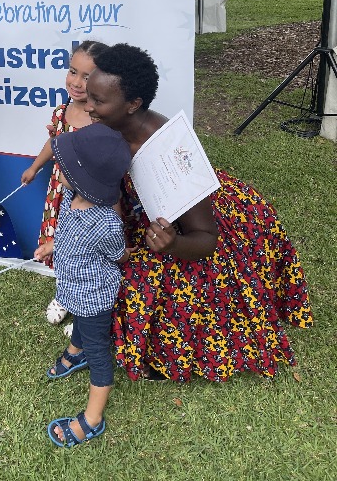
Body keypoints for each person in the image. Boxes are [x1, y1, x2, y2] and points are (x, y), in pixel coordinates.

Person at [85, 43, 313, 382]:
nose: (88, 106)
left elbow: (205, 240)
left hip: (192, 226)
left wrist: (172, 245)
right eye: (89, 95)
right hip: (148, 217)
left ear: (133, 105)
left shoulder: (168, 150)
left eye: (98, 101)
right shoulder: (110, 125)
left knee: (151, 287)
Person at [34, 122, 132, 448]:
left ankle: (92, 418)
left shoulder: (106, 222)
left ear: (84, 179)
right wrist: (53, 246)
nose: (56, 167)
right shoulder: (73, 198)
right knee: (78, 321)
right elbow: (69, 235)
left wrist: (127, 251)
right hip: (73, 288)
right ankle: (76, 353)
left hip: (94, 297)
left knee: (98, 350)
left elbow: (118, 254)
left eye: (64, 165)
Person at [21, 40, 107, 325]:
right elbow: (54, 142)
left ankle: (86, 311)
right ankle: (65, 292)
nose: (77, 82)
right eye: (73, 72)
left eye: (87, 76)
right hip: (60, 193)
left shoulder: (102, 119)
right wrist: (35, 167)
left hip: (87, 201)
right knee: (59, 247)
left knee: (83, 251)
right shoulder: (63, 110)